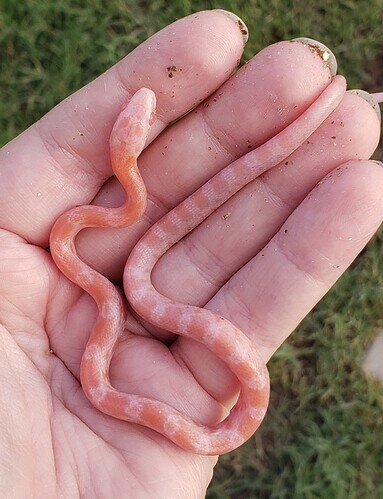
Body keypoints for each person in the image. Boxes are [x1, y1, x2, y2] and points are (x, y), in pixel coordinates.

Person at [0, 9, 382, 498]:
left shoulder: (89, 230)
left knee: (148, 273)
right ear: (130, 149)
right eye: (134, 121)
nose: (140, 109)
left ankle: (328, 100)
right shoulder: (85, 231)